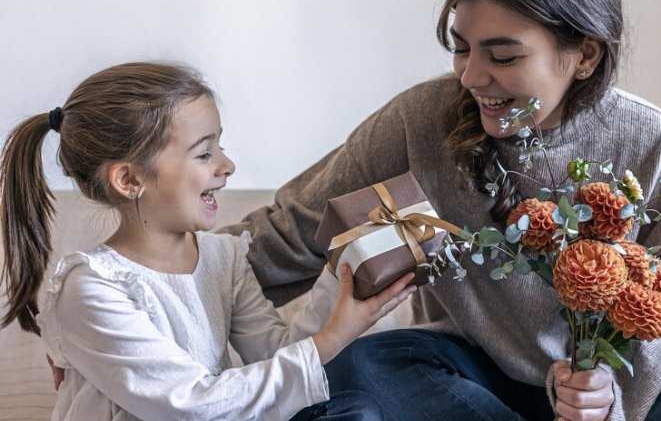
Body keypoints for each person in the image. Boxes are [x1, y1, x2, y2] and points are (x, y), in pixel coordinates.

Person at [219, 0, 661, 420]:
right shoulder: (418, 121)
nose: (471, 76)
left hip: (603, 394)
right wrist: (157, 264)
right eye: (461, 47)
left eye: (503, 54)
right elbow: (289, 232)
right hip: (470, 380)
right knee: (362, 364)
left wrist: (607, 390)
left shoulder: (650, 139)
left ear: (584, 54)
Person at [0, 62, 416, 421]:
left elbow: (274, 355)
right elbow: (188, 406)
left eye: (221, 145)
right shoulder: (91, 288)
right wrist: (330, 341)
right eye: (204, 154)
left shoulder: (223, 258)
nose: (228, 165)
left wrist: (341, 280)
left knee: (356, 410)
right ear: (129, 180)